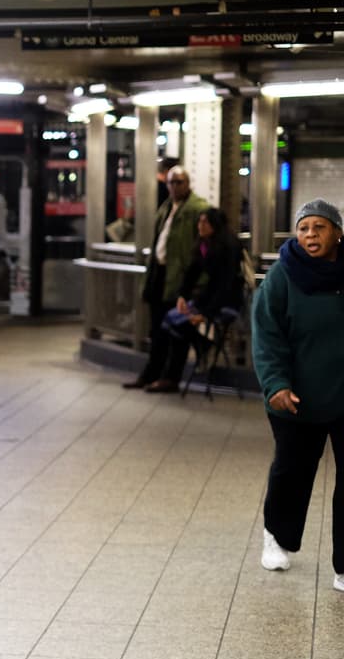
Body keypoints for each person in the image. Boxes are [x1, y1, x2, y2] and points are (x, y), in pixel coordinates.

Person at [251, 199, 344, 582]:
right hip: (295, 397)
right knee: (293, 470)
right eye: (304, 228)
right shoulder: (282, 276)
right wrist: (276, 384)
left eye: (319, 227)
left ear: (338, 232)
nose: (310, 235)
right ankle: (276, 536)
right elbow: (267, 334)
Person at [125, 165, 209, 392]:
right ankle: (151, 374)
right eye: (171, 182)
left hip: (180, 280)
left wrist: (196, 284)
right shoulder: (165, 208)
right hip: (160, 275)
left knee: (176, 330)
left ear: (188, 183)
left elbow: (202, 248)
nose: (174, 186)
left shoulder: (198, 209)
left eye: (179, 182)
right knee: (157, 330)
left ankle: (171, 377)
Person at [157, 207, 246, 383]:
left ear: (215, 224)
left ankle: (204, 347)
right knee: (170, 320)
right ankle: (202, 348)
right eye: (200, 221)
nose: (200, 225)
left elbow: (225, 284)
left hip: (226, 301)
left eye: (205, 222)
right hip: (208, 297)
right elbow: (192, 272)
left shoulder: (228, 245)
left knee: (182, 323)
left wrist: (204, 314)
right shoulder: (204, 243)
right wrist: (182, 296)